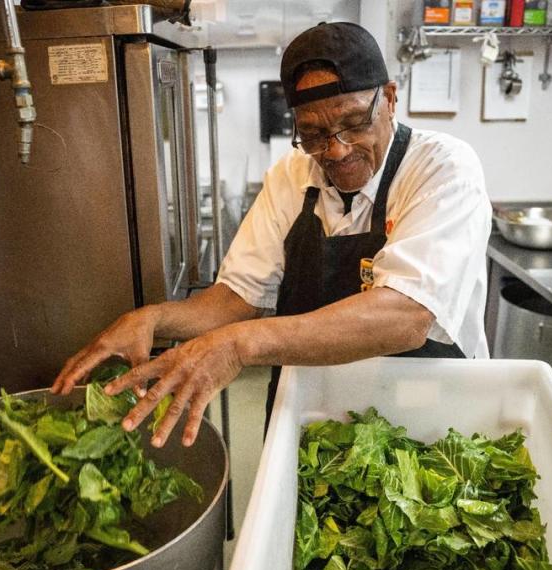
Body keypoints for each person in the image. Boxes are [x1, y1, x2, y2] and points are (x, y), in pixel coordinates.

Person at [52, 22, 491, 448]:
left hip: (428, 421)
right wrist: (152, 318)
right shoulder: (291, 174)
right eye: (314, 134)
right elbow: (240, 297)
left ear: (390, 99)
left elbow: (406, 318)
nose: (336, 150)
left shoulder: (442, 168)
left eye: (354, 123)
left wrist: (240, 347)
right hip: (319, 415)